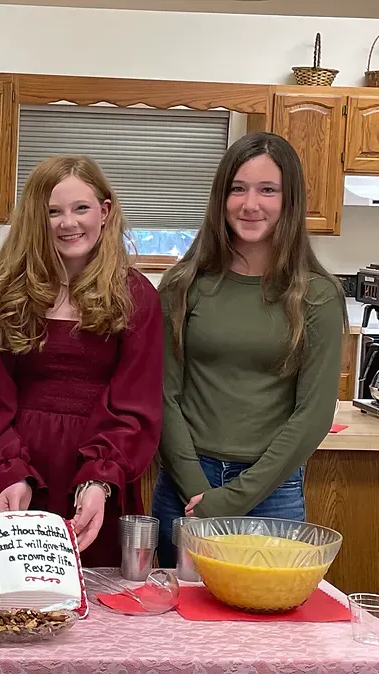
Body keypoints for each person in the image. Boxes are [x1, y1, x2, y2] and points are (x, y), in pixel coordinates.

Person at [153, 131, 347, 567]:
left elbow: (313, 415)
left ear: (290, 199)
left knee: (268, 613)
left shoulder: (316, 295)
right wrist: (196, 489)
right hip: (186, 486)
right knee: (174, 610)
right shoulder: (183, 285)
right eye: (237, 189)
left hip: (272, 493)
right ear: (221, 198)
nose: (250, 204)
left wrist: (230, 500)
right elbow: (164, 394)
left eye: (268, 190)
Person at [0, 155, 163, 567]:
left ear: (104, 212)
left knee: (98, 592)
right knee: (15, 592)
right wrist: (10, 470)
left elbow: (136, 404)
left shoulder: (137, 296)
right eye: (52, 211)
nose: (67, 223)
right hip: (24, 472)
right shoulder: (9, 294)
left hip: (99, 480)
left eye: (80, 208)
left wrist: (100, 479)